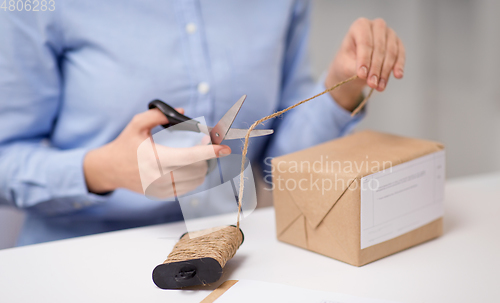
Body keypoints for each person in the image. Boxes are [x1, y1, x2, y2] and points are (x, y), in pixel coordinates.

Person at [0, 0, 405, 245]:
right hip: (75, 262)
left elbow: (280, 168)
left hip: (236, 254)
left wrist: (341, 88)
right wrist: (105, 170)